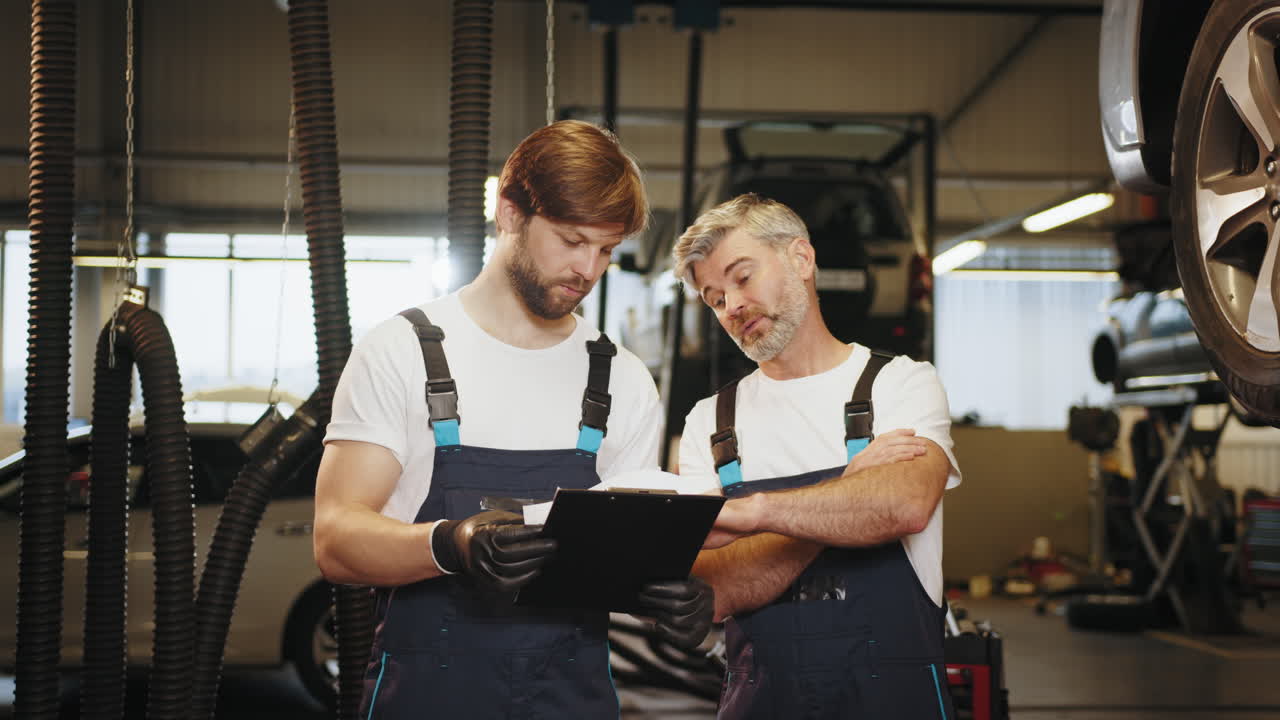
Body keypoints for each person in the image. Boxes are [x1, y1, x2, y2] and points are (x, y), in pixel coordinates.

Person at [313, 120, 714, 719]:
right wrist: (450, 543)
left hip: (570, 697)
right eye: (572, 239)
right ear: (509, 210)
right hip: (429, 696)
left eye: (606, 250)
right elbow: (335, 541)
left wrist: (671, 597)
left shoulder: (622, 377)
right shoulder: (402, 351)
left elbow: (625, 551)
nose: (588, 269)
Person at [672, 193, 961, 719]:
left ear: (801, 260)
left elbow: (903, 505)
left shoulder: (901, 385)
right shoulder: (709, 423)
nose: (731, 306)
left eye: (742, 277)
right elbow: (713, 589)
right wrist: (848, 489)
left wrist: (752, 515)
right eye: (714, 299)